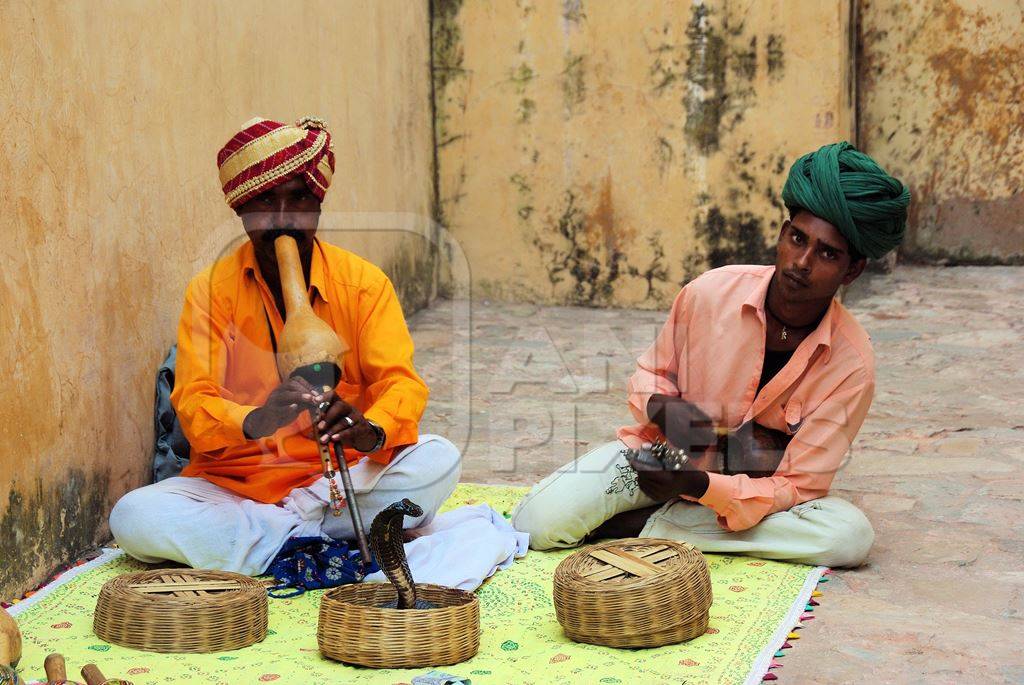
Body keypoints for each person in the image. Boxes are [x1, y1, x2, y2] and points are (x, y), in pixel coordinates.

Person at [512, 142, 910, 567]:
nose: (802, 261)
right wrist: (666, 410)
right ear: (781, 233)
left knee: (848, 538)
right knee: (535, 523)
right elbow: (649, 375)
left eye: (827, 253)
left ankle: (646, 527)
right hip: (658, 461)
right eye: (797, 239)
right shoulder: (710, 292)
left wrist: (701, 486)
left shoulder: (852, 365)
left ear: (852, 270)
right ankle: (676, 519)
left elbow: (800, 485)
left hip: (750, 496)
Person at [110, 117, 460, 575]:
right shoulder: (211, 291)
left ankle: (278, 543)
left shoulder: (363, 285)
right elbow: (194, 404)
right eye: (263, 202)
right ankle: (322, 541)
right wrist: (259, 419)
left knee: (439, 459)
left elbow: (402, 386)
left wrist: (367, 429)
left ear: (318, 203)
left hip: (340, 481)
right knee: (133, 518)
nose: (282, 218)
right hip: (237, 489)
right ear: (241, 211)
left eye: (298, 198)